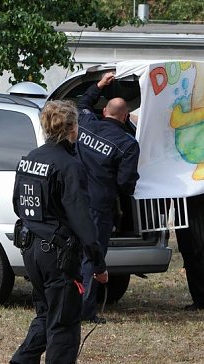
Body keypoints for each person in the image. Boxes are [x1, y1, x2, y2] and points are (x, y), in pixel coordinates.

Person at [7, 100, 108, 364]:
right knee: (64, 322)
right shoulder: (69, 166)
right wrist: (98, 263)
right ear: (72, 129)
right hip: (59, 255)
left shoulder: (31, 159)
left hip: (32, 250)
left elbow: (17, 203)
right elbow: (81, 218)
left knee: (46, 313)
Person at [76, 71, 140, 324]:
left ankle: (65, 303)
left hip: (73, 201)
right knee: (91, 257)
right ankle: (86, 310)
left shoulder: (87, 124)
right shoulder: (127, 144)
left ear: (104, 112)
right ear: (125, 118)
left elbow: (81, 105)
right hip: (98, 207)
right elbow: (126, 183)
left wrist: (99, 85)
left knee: (71, 254)